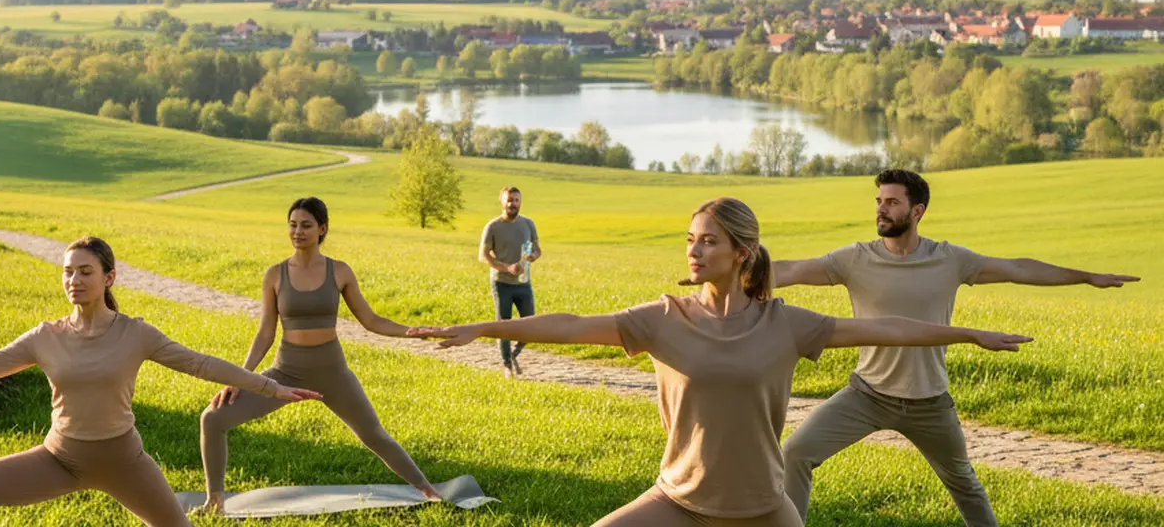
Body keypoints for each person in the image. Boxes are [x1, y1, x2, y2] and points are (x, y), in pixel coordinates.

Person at [410, 197, 1032, 526]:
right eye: (690, 240)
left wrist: (967, 334)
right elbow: (570, 325)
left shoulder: (786, 323)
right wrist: (482, 327)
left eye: (709, 240)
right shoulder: (664, 318)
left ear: (742, 253)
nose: (695, 250)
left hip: (763, 509)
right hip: (678, 503)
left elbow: (886, 327)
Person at [0, 236, 320, 527]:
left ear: (109, 278)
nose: (74, 279)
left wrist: (271, 387)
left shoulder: (136, 334)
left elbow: (201, 364)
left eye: (85, 271)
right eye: (68, 272)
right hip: (60, 459)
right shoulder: (45, 337)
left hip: (124, 462)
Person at [774, 169, 1139, 526]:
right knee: (796, 452)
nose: (881, 209)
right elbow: (791, 271)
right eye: (879, 201)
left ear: (917, 211)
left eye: (892, 202)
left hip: (929, 403)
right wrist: (739, 274)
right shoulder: (855, 259)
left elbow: (1017, 268)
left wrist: (1086, 277)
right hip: (866, 396)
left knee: (964, 483)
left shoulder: (949, 259)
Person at [199, 197, 441, 513]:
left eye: (306, 225)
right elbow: (265, 334)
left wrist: (410, 331)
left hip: (333, 373)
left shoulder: (339, 271)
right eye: (292, 225)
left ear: (322, 229)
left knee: (375, 436)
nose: (297, 232)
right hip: (286, 374)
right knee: (212, 418)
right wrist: (240, 377)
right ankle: (214, 502)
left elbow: (371, 320)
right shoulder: (275, 275)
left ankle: (429, 490)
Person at [478, 186, 542, 378]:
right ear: (502, 202)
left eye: (516, 200)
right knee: (503, 326)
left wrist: (533, 256)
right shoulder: (493, 226)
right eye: (509, 200)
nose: (512, 204)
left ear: (520, 202)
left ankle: (513, 354)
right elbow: (483, 256)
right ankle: (507, 365)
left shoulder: (528, 224)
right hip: (501, 283)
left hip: (523, 282)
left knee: (531, 326)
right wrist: (507, 268)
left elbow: (537, 250)